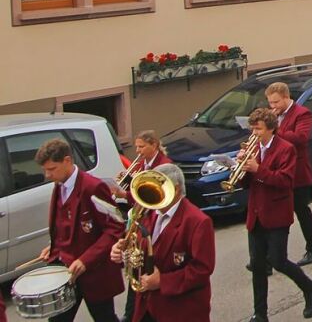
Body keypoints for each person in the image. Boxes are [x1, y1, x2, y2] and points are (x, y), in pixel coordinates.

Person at [240, 107, 312, 322]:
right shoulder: (253, 147)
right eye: (253, 128)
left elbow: (285, 181)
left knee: (278, 261)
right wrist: (240, 168)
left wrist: (258, 169)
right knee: (258, 266)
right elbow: (247, 183)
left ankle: (311, 287)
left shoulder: (285, 149)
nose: (254, 133)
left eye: (258, 129)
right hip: (256, 214)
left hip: (276, 213)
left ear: (271, 128)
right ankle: (260, 313)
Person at [110, 164, 215, 322]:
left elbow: (202, 270)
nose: (152, 195)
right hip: (147, 306)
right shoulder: (147, 212)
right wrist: (121, 251)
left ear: (177, 189)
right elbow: (135, 243)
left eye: (158, 189)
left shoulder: (198, 221)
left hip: (180, 310)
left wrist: (162, 281)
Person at [35, 138, 124, 322]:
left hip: (94, 273)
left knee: (104, 317)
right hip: (65, 272)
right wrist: (54, 247)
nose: (47, 175)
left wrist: (85, 260)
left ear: (67, 161)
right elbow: (64, 225)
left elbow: (114, 228)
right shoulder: (59, 185)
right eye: (45, 170)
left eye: (52, 169)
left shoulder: (94, 187)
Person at [112, 129, 172, 322]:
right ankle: (131, 313)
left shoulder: (164, 166)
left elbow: (151, 196)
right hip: (139, 220)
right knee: (134, 267)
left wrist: (126, 195)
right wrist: (128, 181)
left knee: (143, 268)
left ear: (154, 145)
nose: (137, 151)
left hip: (153, 220)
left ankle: (137, 313)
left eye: (141, 147)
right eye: (136, 146)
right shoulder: (141, 163)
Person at [265, 82, 312, 267]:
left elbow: (301, 139)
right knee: (276, 213)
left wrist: (274, 129)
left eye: (276, 102)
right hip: (277, 171)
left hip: (297, 171)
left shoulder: (302, 113)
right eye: (270, 103)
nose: (273, 107)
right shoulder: (273, 114)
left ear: (286, 97)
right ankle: (272, 255)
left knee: (302, 210)